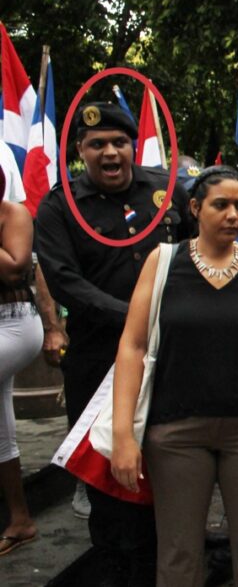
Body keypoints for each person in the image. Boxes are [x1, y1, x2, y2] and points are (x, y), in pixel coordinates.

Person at [110, 166, 238, 587]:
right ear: (196, 208)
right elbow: (133, 346)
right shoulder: (165, 262)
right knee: (178, 554)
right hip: (176, 430)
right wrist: (123, 433)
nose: (233, 215)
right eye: (221, 205)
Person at [35, 101, 194, 583]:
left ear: (131, 146)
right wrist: (133, 318)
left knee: (170, 468)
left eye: (119, 142)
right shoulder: (59, 205)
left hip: (170, 356)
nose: (109, 153)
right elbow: (63, 280)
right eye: (97, 144)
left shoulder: (167, 192)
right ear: (80, 151)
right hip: (98, 361)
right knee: (107, 479)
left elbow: (194, 253)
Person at [0, 168, 44, 557]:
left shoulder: (13, 213)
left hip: (13, 325)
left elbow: (16, 267)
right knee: (2, 430)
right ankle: (20, 519)